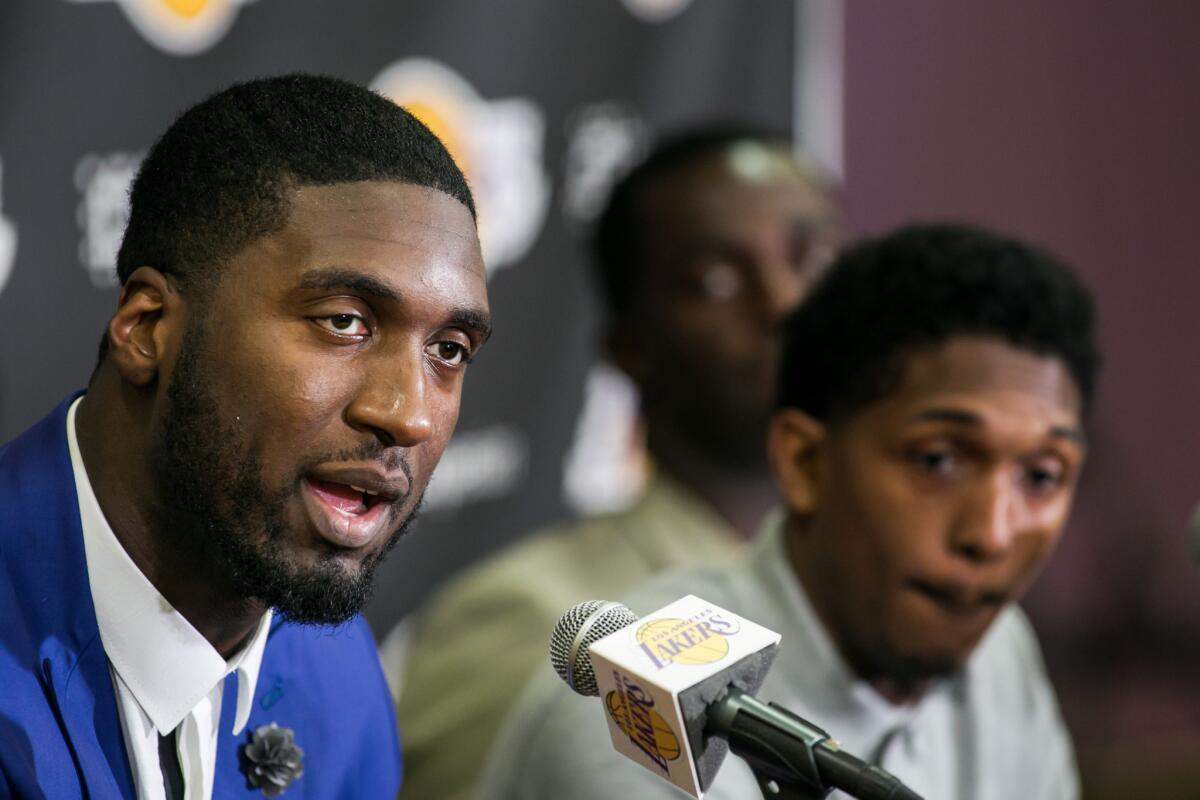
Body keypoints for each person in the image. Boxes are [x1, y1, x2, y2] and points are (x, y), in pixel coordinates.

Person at [479, 222, 1097, 800]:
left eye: (1042, 476)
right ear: (805, 463)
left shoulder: (997, 648)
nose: (991, 533)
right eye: (936, 460)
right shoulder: (635, 713)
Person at [0, 74, 491, 798]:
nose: (409, 415)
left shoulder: (339, 683)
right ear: (146, 330)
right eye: (343, 322)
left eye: (448, 349)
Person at [387, 128, 841, 800]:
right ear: (628, 346)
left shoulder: (913, 604)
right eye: (715, 280)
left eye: (814, 263)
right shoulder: (535, 623)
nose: (784, 306)